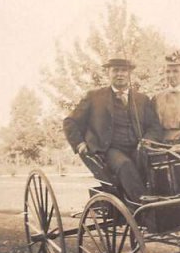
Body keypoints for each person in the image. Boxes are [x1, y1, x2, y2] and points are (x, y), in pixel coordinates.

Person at [63, 57, 162, 203]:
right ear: (108, 73)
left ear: (129, 74)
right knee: (125, 164)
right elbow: (70, 121)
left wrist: (147, 141)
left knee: (159, 162)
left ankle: (167, 202)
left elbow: (154, 126)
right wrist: (79, 144)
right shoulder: (94, 96)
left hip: (138, 147)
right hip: (108, 149)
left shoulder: (142, 99)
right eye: (115, 70)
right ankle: (143, 205)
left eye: (124, 70)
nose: (120, 74)